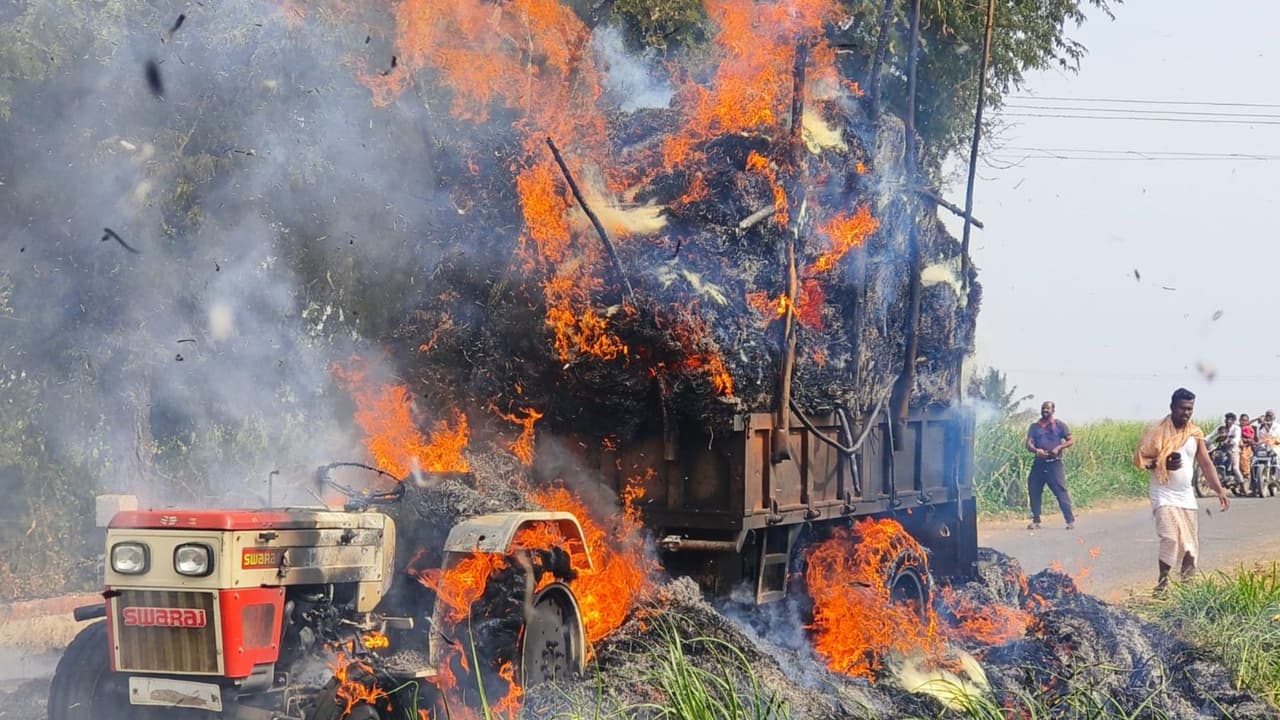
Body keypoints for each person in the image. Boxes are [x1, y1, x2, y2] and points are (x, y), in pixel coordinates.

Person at [1134, 388, 1230, 593]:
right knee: (1169, 537)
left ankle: (1188, 589)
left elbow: (1205, 463)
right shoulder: (1156, 431)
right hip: (1163, 492)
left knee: (1189, 545)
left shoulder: (1195, 433)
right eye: (1182, 408)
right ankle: (1162, 584)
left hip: (1186, 495)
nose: (1186, 413)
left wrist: (1219, 489)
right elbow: (1142, 459)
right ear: (1172, 407)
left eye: (1190, 409)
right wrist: (1162, 464)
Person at [1024, 400, 1076, 530]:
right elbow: (1029, 443)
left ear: (1053, 410)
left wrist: (1059, 448)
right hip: (1039, 464)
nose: (1045, 410)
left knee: (1061, 492)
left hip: (1054, 464)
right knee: (1034, 490)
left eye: (1047, 408)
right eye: (1043, 408)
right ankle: (1036, 520)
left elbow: (1071, 440)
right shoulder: (1034, 427)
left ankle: (1070, 521)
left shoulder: (1059, 425)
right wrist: (1037, 450)